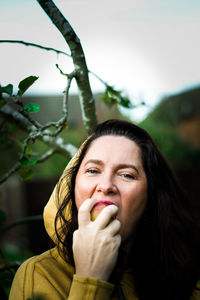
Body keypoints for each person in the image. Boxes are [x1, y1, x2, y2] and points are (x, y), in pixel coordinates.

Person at [9, 119, 200, 300]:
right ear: (72, 185)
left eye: (126, 175)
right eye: (93, 170)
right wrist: (91, 280)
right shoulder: (39, 275)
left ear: (150, 197)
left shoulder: (184, 281)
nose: (106, 185)